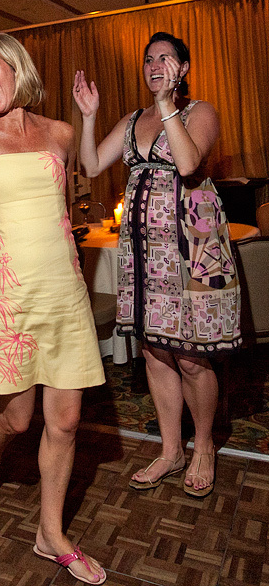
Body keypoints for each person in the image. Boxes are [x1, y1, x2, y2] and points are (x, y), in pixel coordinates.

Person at [0, 33, 106, 585]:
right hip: (7, 295)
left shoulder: (59, 133)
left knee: (64, 420)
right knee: (15, 417)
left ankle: (51, 533)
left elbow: (66, 214)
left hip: (62, 294)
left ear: (16, 68)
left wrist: (89, 119)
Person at [74, 32, 240, 498]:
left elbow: (187, 163)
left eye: (165, 58)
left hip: (192, 250)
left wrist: (167, 104)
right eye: (149, 59)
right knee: (155, 350)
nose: (154, 65)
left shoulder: (198, 111)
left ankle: (203, 444)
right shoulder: (131, 120)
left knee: (190, 356)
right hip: (145, 253)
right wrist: (88, 119)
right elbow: (90, 165)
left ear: (183, 69)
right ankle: (171, 450)